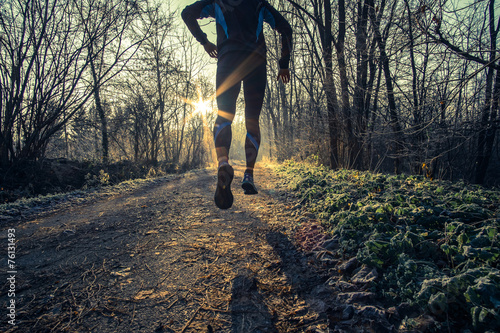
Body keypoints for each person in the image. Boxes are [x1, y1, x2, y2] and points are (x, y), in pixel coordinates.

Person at [182, 0, 292, 209]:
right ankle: (248, 175)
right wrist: (284, 63)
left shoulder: (217, 2)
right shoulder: (259, 3)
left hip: (228, 61)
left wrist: (204, 41)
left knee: (224, 116)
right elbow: (285, 28)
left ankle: (223, 162)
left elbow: (188, 13)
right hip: (255, 62)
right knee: (252, 119)